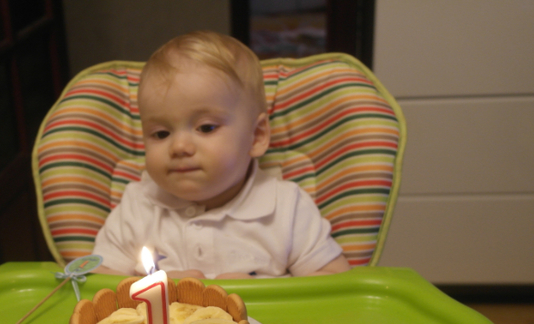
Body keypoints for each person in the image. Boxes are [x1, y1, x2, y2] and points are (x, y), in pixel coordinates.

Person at [92, 31, 351, 279]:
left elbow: (337, 285)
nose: (179, 146)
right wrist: (157, 290)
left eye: (206, 128)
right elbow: (96, 283)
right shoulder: (137, 208)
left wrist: (260, 293)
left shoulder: (287, 209)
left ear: (256, 135)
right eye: (161, 133)